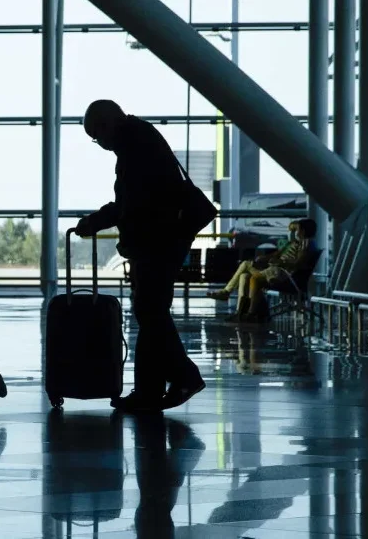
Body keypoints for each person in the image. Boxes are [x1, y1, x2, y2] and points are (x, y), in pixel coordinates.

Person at [75, 99, 204, 413]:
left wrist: (95, 221)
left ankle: (185, 376)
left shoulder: (136, 146)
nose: (100, 143)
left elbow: (131, 204)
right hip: (162, 239)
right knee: (149, 313)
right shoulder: (139, 139)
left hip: (159, 241)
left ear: (110, 123)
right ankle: (149, 391)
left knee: (150, 312)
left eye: (97, 134)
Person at [208, 218, 318, 323]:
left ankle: (240, 304)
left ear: (303, 231)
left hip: (283, 274)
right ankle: (240, 312)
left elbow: (298, 263)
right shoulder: (294, 243)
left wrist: (280, 263)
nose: (294, 232)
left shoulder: (306, 243)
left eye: (297, 230)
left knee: (247, 267)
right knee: (244, 276)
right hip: (276, 270)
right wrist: (265, 259)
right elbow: (277, 253)